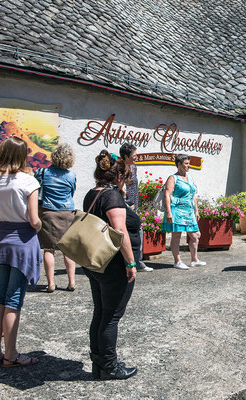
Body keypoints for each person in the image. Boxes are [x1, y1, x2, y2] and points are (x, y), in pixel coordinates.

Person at [0, 137, 42, 368]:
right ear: (22, 155)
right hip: (21, 239)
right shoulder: (28, 181)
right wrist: (38, 228)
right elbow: (34, 219)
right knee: (14, 300)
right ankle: (12, 354)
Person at [83, 150, 137, 380]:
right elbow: (120, 231)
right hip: (113, 264)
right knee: (112, 316)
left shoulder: (92, 193)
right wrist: (130, 262)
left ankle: (100, 362)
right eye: (125, 177)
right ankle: (110, 367)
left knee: (101, 312)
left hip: (95, 263)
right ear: (118, 177)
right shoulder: (112, 197)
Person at [35, 143, 77, 292]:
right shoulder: (71, 175)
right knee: (68, 249)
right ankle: (71, 281)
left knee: (49, 249)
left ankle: (51, 283)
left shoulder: (43, 172)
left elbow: (36, 189)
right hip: (67, 212)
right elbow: (72, 193)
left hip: (49, 213)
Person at [161, 154, 205, 270]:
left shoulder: (189, 178)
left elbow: (193, 195)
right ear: (179, 164)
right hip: (177, 210)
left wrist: (196, 210)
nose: (188, 166)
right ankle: (177, 261)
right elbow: (167, 194)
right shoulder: (173, 178)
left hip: (189, 211)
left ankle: (194, 260)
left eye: (189, 163)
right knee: (176, 236)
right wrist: (169, 212)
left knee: (196, 235)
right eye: (186, 163)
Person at [120, 143, 153, 272]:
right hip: (123, 204)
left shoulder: (134, 167)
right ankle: (131, 262)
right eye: (134, 155)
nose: (136, 157)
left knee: (137, 231)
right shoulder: (119, 168)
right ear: (125, 156)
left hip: (133, 205)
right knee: (133, 231)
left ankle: (137, 261)